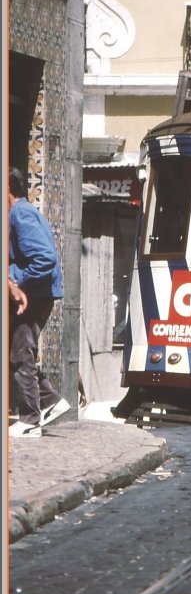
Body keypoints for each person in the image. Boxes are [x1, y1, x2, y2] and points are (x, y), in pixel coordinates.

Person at [8, 167, 70, 438]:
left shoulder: (20, 214)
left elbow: (44, 259)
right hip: (36, 293)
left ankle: (31, 419)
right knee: (22, 353)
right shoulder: (21, 212)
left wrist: (15, 279)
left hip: (34, 295)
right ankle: (50, 401)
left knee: (21, 355)